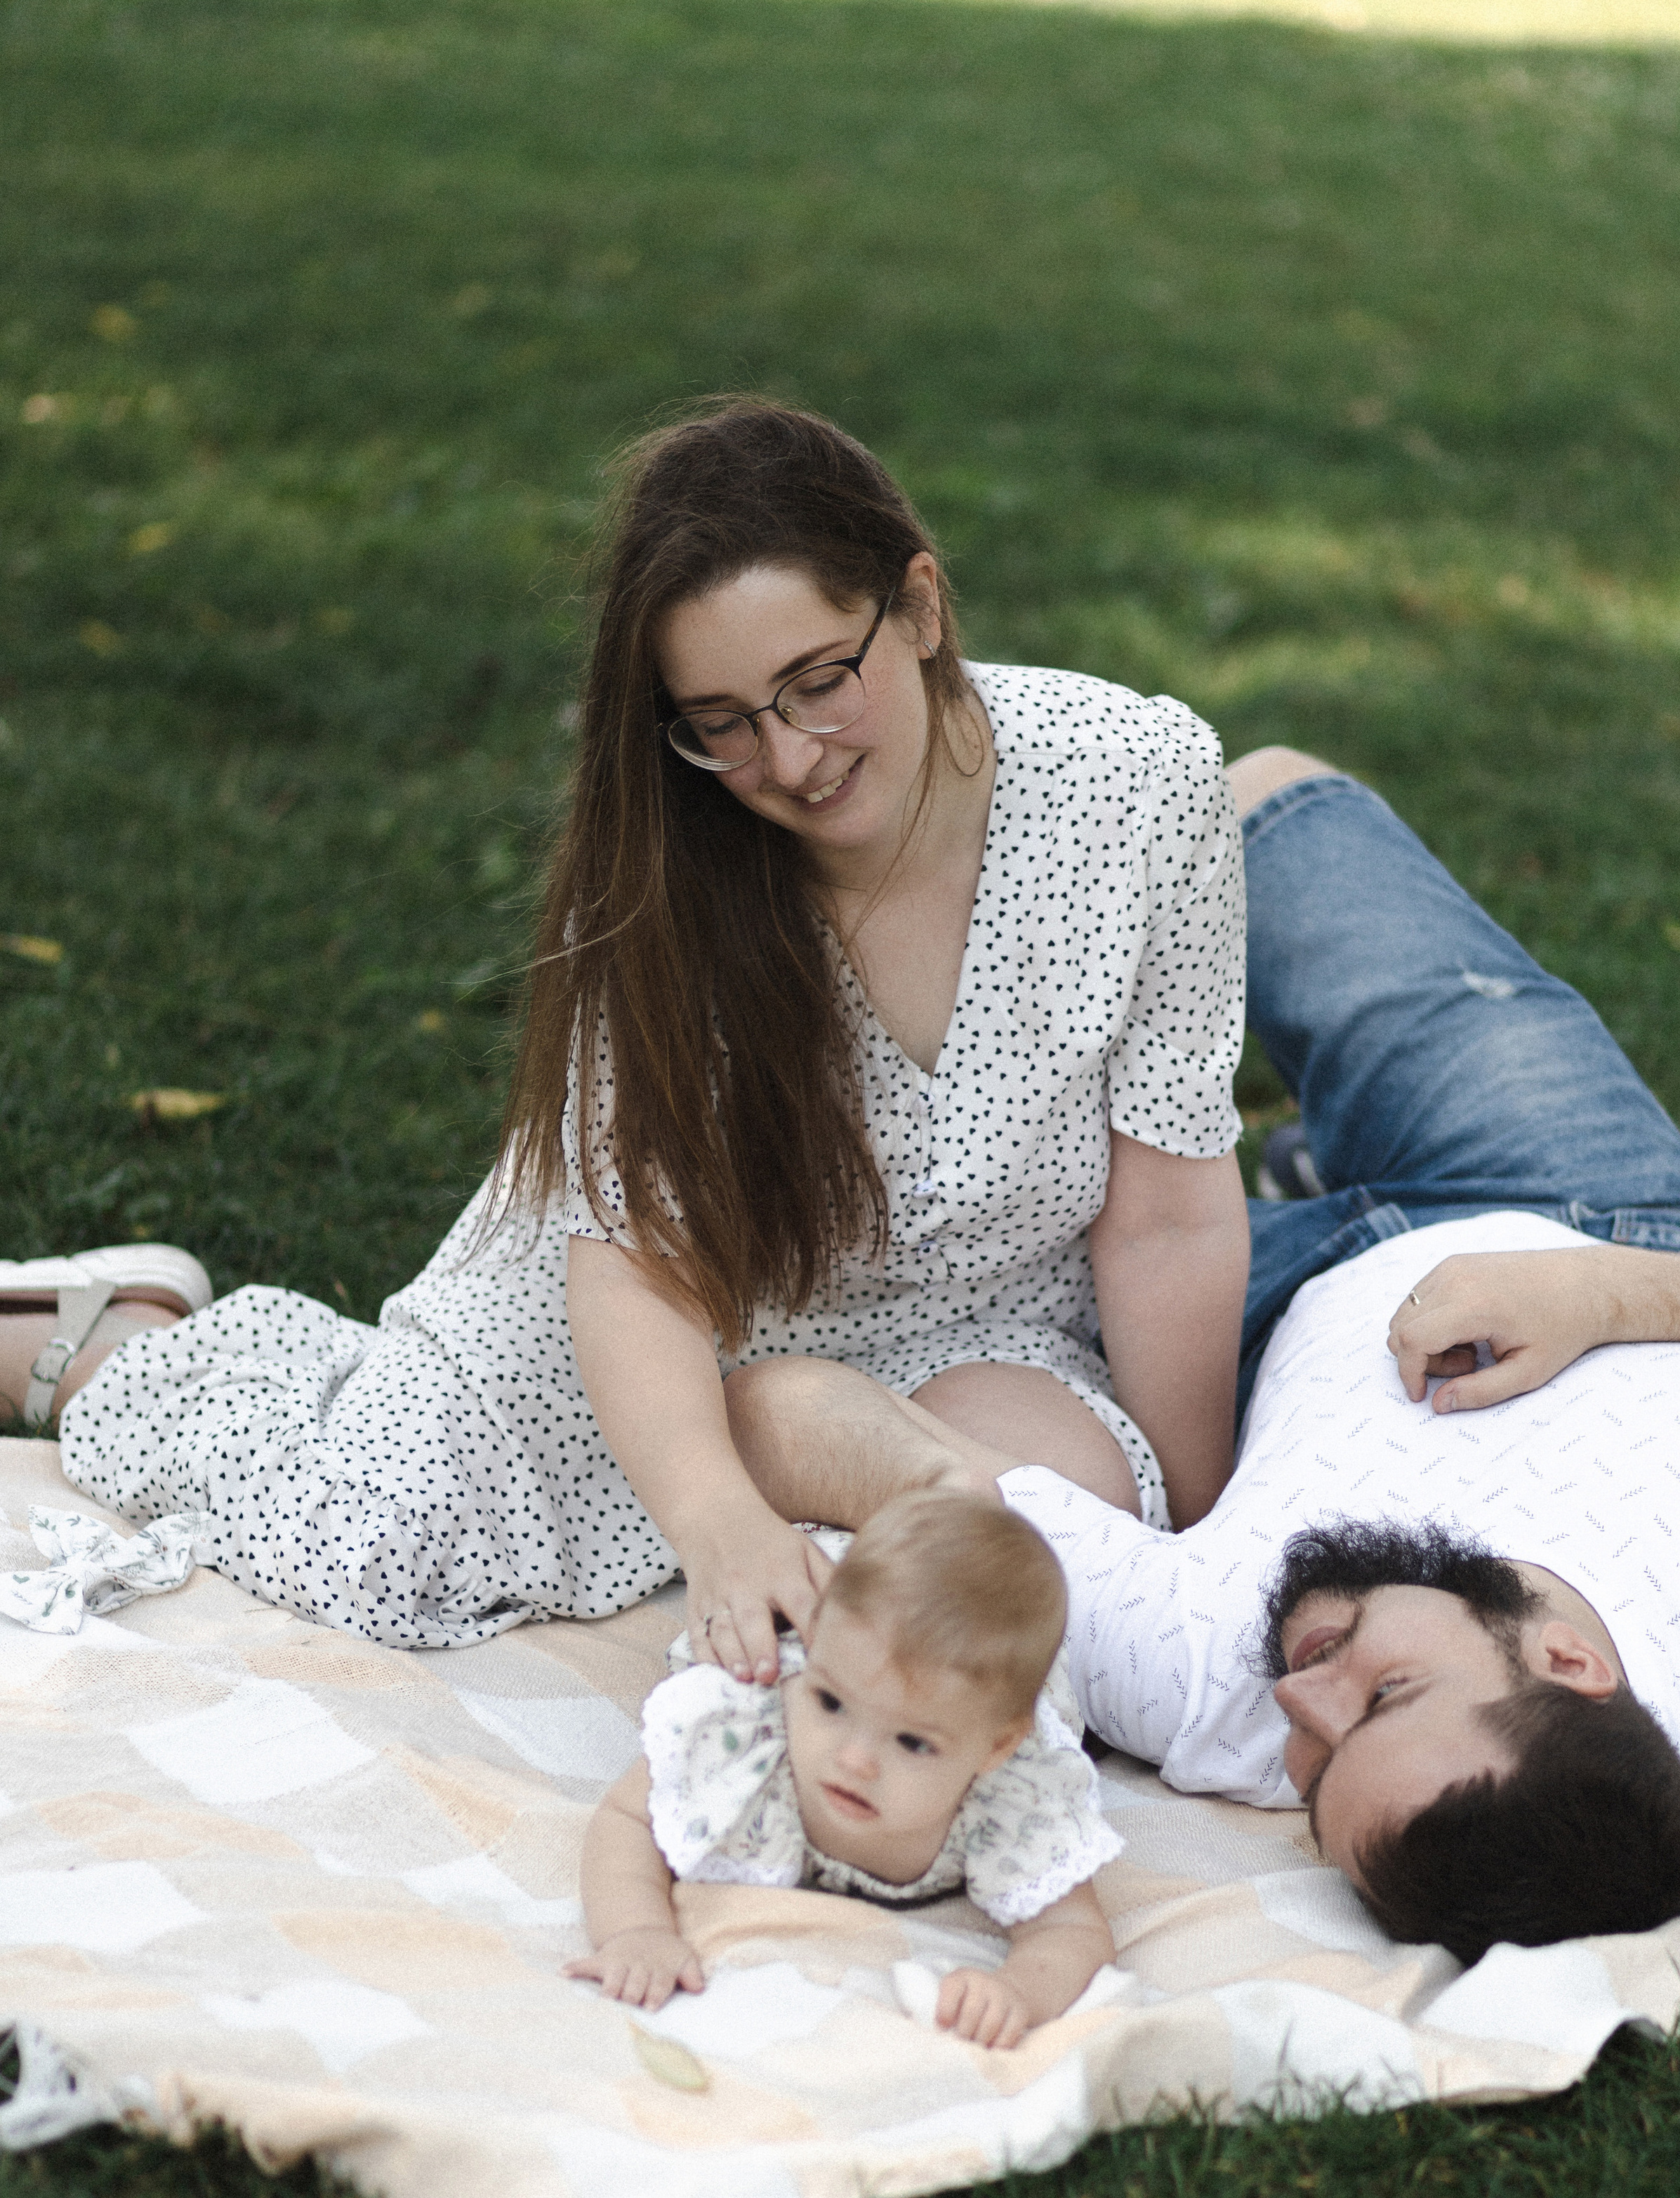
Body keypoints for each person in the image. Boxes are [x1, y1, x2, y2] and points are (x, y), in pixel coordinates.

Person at [5, 399, 1249, 1663]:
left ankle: (789, 1451)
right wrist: (713, 1519)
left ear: (919, 608)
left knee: (1042, 1555)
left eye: (819, 683)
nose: (791, 757)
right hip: (672, 1299)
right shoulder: (666, 867)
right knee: (374, 1541)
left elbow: (1167, 1214)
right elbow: (636, 1258)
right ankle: (100, 1344)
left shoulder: (1143, 790)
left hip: (980, 1320)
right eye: (722, 719)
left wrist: (1203, 1547)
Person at [720, 753, 1680, 1967]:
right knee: (1261, 805)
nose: (1302, 1701)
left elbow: (787, 1411)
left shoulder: (1212, 1686)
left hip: (1258, 1293)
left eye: (1317, 1771)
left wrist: (948, 1493)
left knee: (887, 1237)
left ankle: (1291, 1176)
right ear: (1569, 1664)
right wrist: (1610, 1292)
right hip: (1588, 1213)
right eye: (1383, 1698)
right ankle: (1318, 1149)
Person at [566, 1490, 1120, 2049]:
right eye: (831, 1704)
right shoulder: (750, 1726)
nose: (854, 1760)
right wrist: (636, 1931)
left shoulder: (1015, 1795)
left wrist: (1019, 1992)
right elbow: (630, 1819)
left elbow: (1071, 1931)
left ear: (993, 1751)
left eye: (912, 1742)